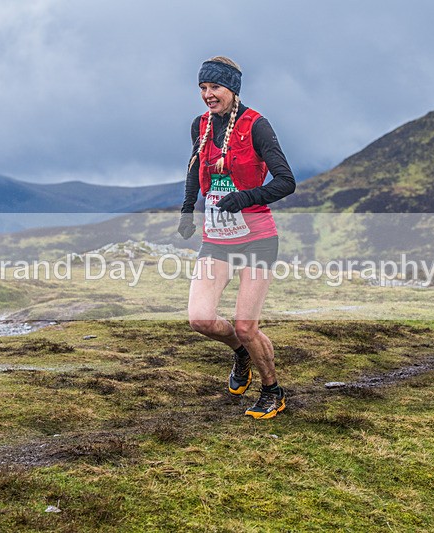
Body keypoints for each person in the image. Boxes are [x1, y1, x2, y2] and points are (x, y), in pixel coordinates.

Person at [177, 56, 296, 419]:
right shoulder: (200, 125)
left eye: (214, 87)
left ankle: (272, 390)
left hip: (257, 238)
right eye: (202, 88)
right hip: (217, 238)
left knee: (247, 325)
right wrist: (187, 208)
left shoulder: (256, 126)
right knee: (199, 318)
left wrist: (244, 197)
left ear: (232, 89)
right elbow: (196, 166)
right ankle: (241, 351)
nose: (208, 95)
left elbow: (285, 181)